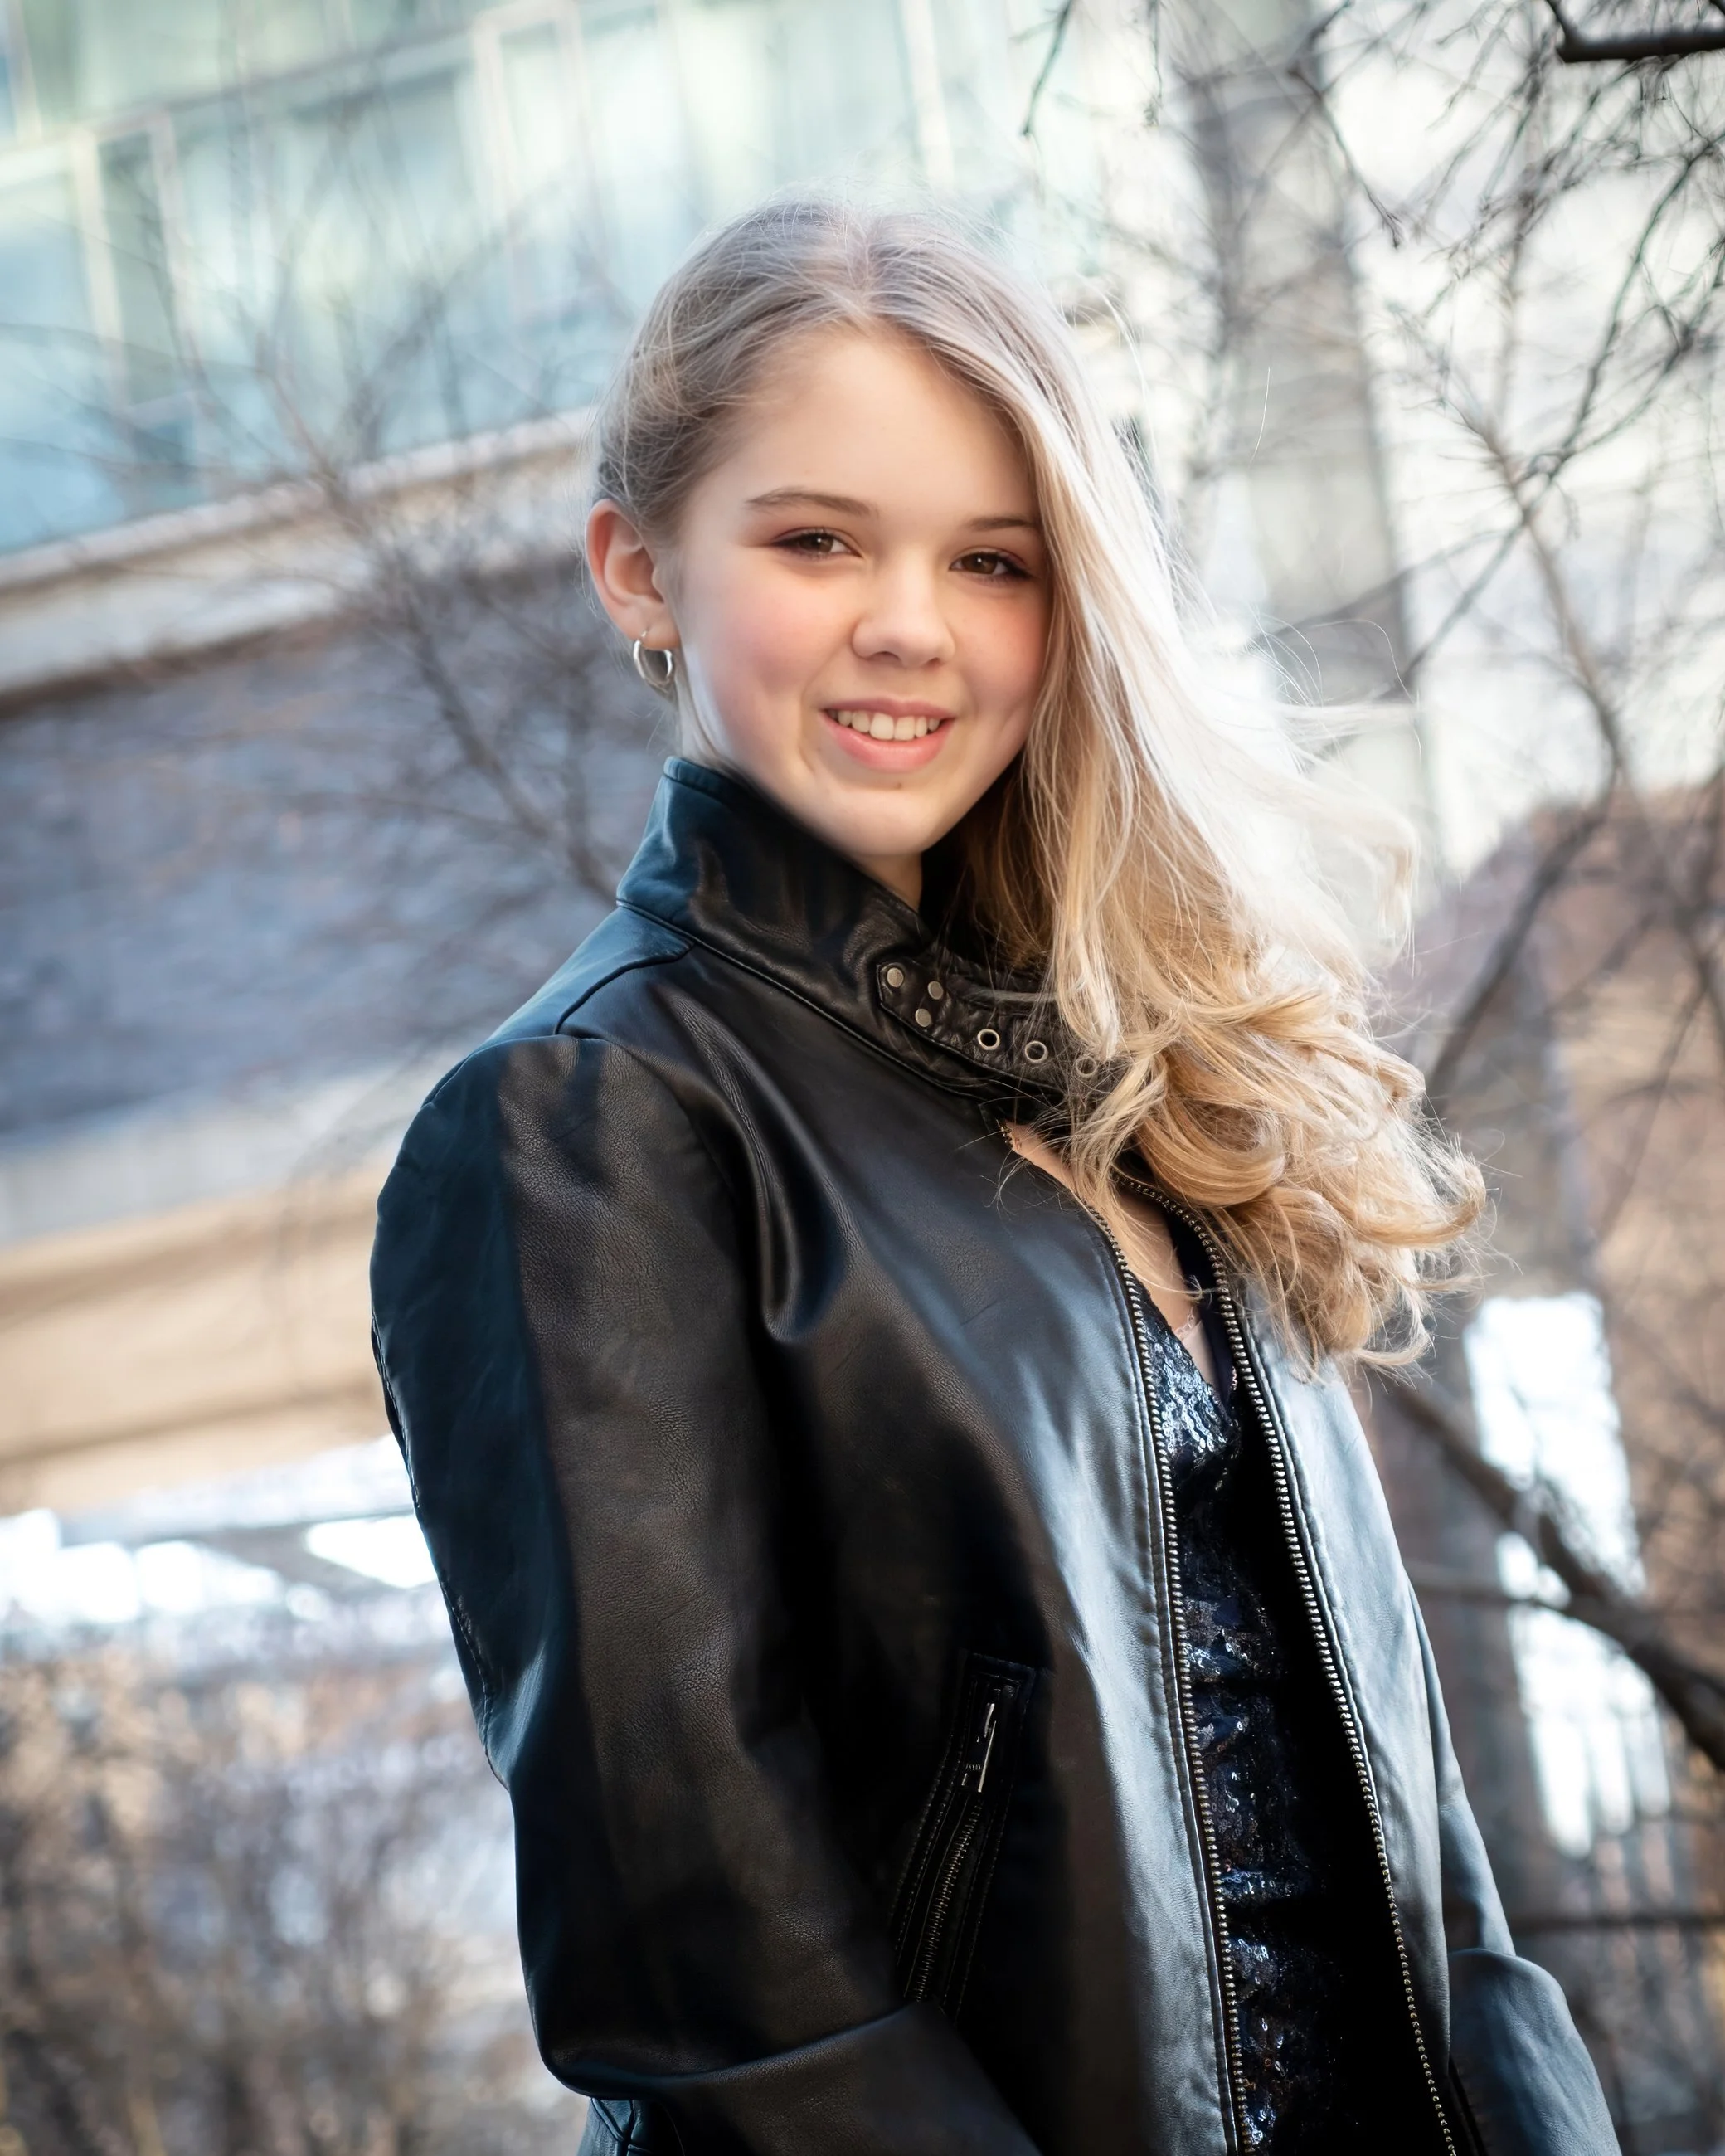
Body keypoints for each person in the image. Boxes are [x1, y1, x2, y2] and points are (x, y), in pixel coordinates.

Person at [369, 197, 1619, 2156]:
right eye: (814, 540)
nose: (908, 623)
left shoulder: (1168, 1077)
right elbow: (711, 1975)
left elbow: (1422, 1842)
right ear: (638, 571)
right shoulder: (582, 1126)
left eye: (990, 559)